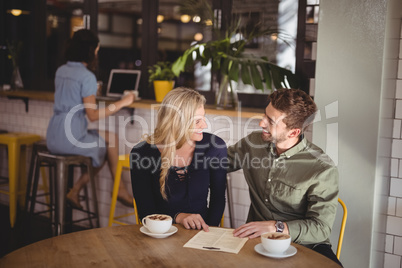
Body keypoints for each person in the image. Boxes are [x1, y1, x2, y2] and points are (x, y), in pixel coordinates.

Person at [228, 88, 342, 266]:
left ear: (293, 132)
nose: (261, 123)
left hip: (305, 245)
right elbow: (216, 162)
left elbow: (321, 228)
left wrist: (277, 226)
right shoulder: (253, 144)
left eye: (270, 121)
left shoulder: (322, 168)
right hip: (257, 241)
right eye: (265, 115)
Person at [46, 29, 135, 209]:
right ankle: (77, 189)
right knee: (102, 149)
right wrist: (123, 102)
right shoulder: (87, 77)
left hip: (54, 134)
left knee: (112, 139)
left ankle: (120, 188)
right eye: (96, 49)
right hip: (71, 135)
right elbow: (92, 115)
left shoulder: (61, 70)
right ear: (90, 51)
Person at [130, 87, 227, 230]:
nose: (205, 125)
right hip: (161, 232)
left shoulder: (214, 147)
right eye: (197, 121)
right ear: (177, 122)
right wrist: (178, 217)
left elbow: (217, 200)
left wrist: (208, 232)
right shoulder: (141, 154)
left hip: (202, 231)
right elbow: (146, 212)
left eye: (204, 118)